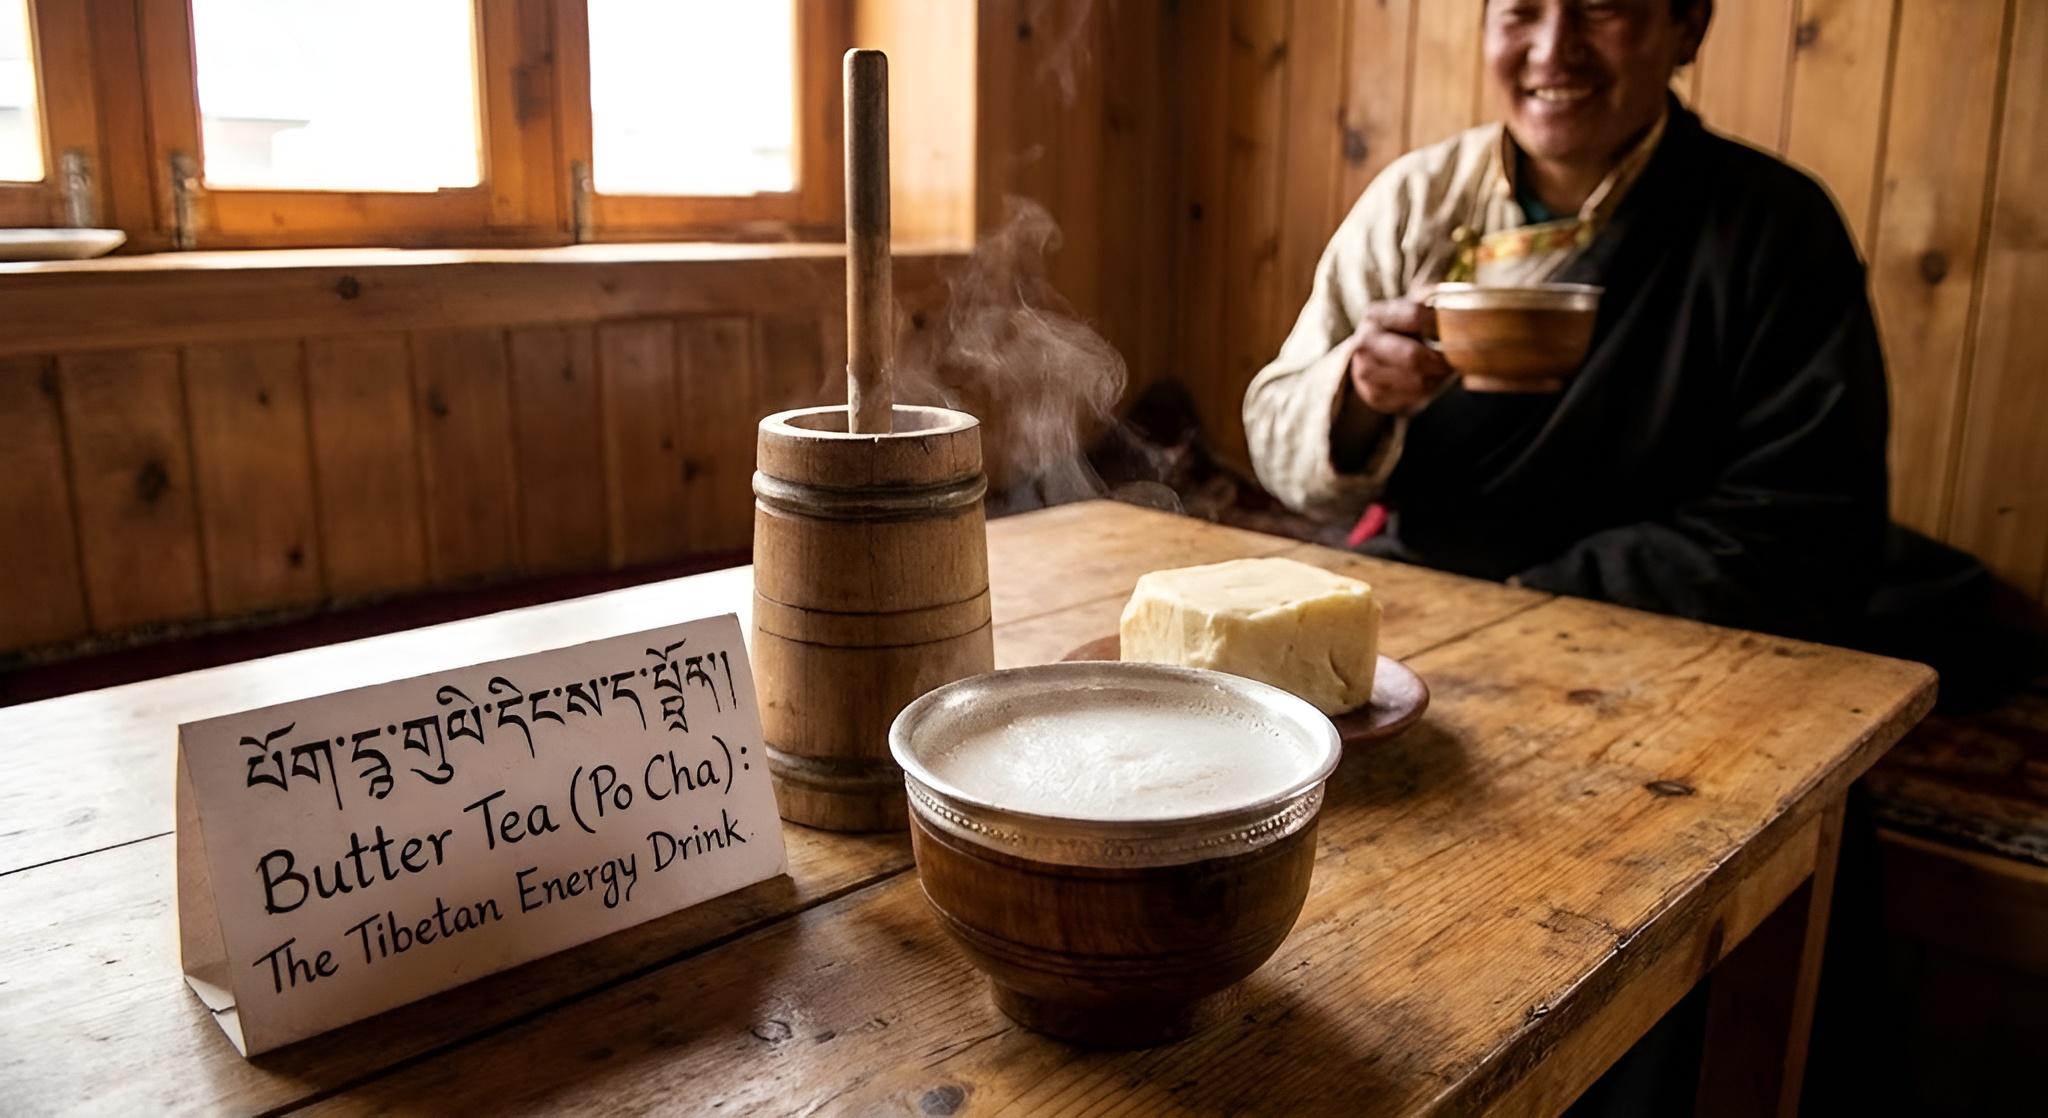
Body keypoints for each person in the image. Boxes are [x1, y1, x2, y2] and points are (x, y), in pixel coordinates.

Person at [1243, 0, 1888, 647]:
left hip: (1656, 626)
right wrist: (1360, 395)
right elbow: (1276, 440)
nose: (1553, 50)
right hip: (1433, 596)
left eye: (1601, 8)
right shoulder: (1419, 201)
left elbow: (1807, 522)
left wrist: (1530, 608)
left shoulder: (1777, 228)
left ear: (1688, 27)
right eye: (1521, 11)